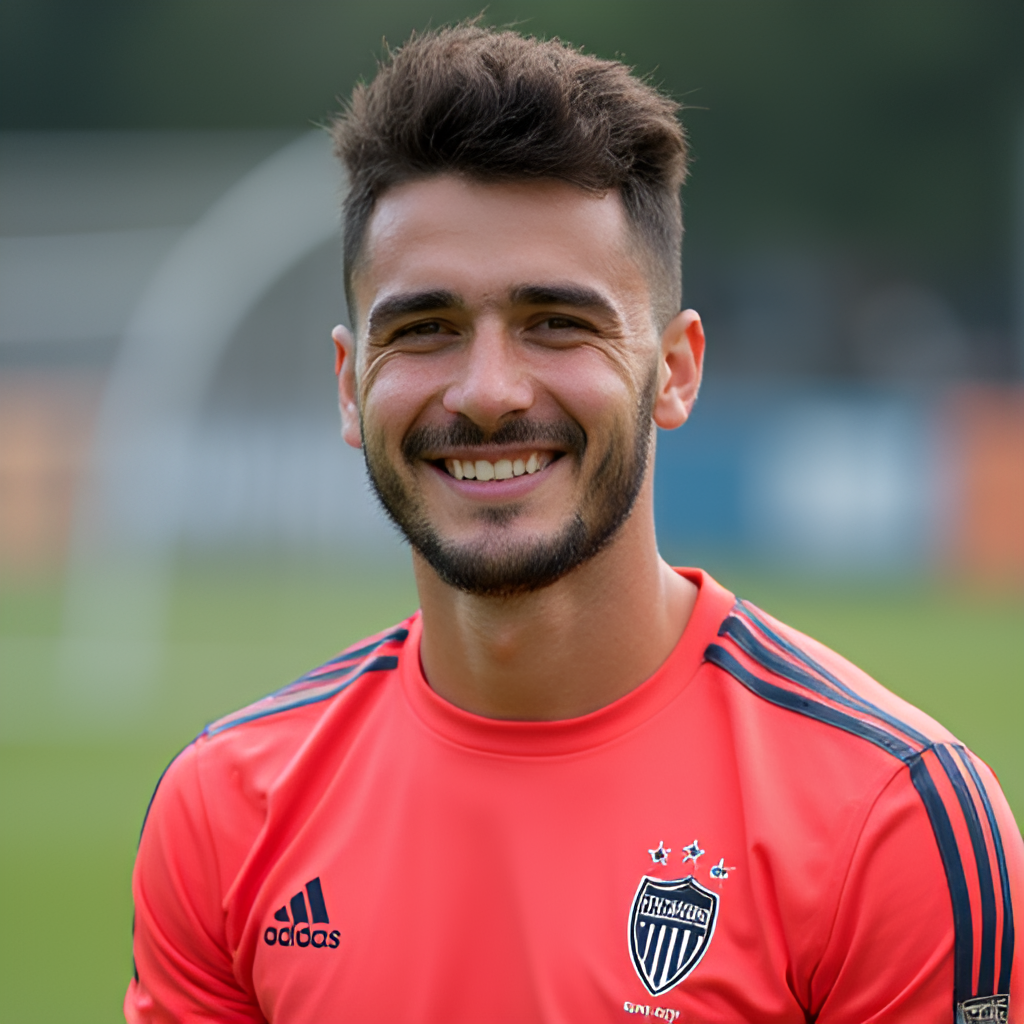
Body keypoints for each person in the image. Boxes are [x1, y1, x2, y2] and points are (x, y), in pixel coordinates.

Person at [125, 24, 1021, 1024]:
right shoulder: (225, 810)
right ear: (349, 384)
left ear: (674, 369)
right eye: (425, 329)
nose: (490, 392)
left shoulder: (891, 817)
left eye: (557, 322)